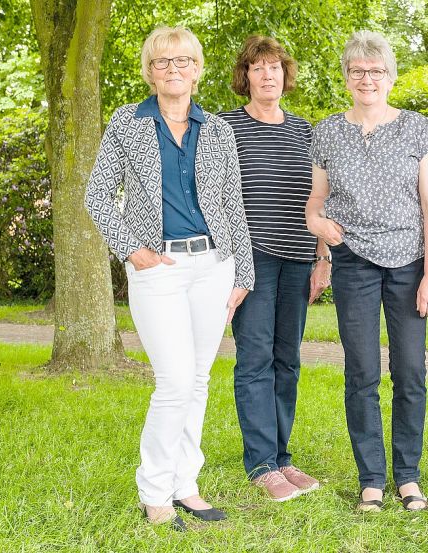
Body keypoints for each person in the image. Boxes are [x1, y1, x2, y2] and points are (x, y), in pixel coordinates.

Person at [84, 26, 254, 531]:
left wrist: (241, 271)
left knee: (198, 380)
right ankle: (154, 490)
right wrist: (131, 249)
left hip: (213, 266)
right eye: (162, 62)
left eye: (183, 61)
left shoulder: (219, 130)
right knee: (174, 381)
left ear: (198, 70)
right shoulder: (127, 123)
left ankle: (186, 485)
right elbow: (97, 196)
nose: (173, 69)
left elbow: (233, 204)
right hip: (159, 268)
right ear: (150, 71)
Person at [305, 30, 428, 513]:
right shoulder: (326, 132)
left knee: (409, 373)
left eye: (376, 71)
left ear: (390, 76)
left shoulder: (417, 129)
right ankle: (371, 478)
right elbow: (314, 206)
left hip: (409, 264)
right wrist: (321, 227)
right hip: (353, 264)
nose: (367, 79)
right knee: (361, 371)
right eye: (358, 71)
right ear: (347, 77)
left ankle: (407, 476)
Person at [220, 35, 329, 502]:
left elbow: (322, 198)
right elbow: (215, 197)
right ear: (245, 76)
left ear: (286, 75)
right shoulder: (224, 128)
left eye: (276, 67)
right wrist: (231, 265)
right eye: (259, 67)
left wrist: (322, 258)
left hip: (299, 258)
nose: (269, 75)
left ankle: (282, 457)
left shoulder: (307, 131)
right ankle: (261, 463)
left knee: (288, 359)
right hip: (253, 260)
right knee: (255, 359)